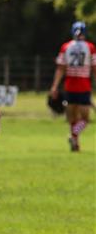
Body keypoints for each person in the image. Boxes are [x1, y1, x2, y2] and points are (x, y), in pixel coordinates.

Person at [50, 21, 96, 151]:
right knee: (85, 120)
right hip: (84, 86)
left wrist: (54, 86)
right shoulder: (90, 47)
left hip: (69, 86)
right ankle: (74, 135)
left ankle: (75, 142)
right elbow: (94, 68)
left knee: (72, 119)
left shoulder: (65, 47)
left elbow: (60, 68)